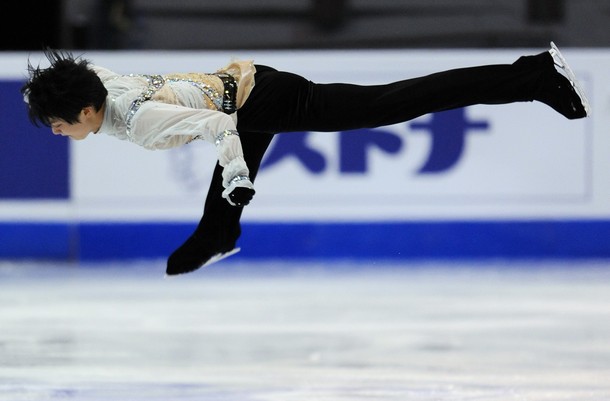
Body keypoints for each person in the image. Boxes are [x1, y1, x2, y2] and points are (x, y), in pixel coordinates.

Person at [21, 42, 590, 276]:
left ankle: (531, 75)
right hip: (246, 87)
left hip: (260, 98)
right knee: (383, 104)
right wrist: (43, 88)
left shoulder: (141, 124)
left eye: (59, 120)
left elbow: (223, 130)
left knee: (390, 103)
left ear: (89, 112)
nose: (55, 129)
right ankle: (216, 232)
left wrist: (240, 179)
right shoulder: (99, 85)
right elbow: (84, 72)